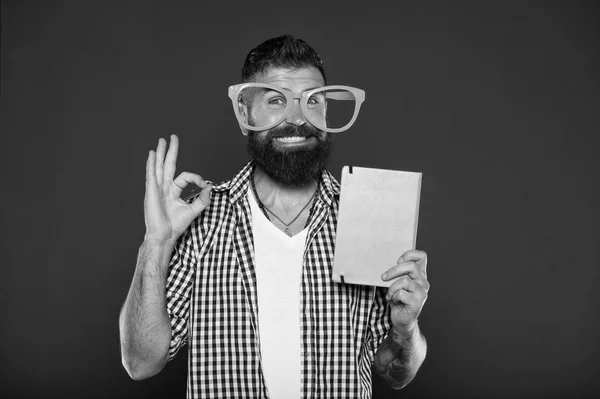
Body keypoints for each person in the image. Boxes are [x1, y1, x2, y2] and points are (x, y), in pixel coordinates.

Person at [119, 34, 430, 399]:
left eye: (313, 100)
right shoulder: (200, 221)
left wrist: (406, 330)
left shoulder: (368, 218)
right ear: (244, 113)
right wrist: (156, 244)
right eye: (276, 100)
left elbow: (393, 373)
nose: (298, 118)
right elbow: (140, 363)